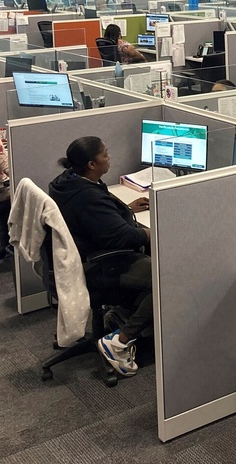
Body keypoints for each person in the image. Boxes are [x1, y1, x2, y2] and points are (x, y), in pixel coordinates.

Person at [48, 136, 152, 377]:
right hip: (101, 265)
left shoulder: (68, 182)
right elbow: (121, 237)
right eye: (105, 154)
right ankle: (119, 341)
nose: (109, 157)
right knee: (165, 274)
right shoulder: (88, 197)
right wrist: (150, 235)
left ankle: (123, 315)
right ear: (91, 164)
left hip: (83, 257)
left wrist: (125, 208)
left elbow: (101, 211)